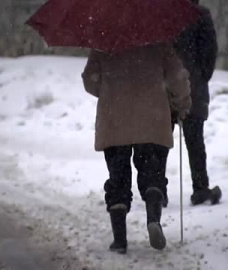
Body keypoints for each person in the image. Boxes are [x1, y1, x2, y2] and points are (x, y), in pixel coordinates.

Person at [82, 44, 191, 253]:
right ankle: (153, 219)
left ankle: (120, 240)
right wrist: (181, 104)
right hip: (152, 118)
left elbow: (90, 80)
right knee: (153, 174)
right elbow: (178, 78)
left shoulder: (104, 41)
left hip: (115, 119)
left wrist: (109, 91)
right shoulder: (158, 40)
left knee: (118, 179)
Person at [172, 0, 222, 205]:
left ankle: (157, 191)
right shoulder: (200, 15)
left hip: (166, 85)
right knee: (195, 141)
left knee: (161, 141)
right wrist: (200, 77)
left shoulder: (164, 15)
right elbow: (210, 52)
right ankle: (200, 188)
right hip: (193, 85)